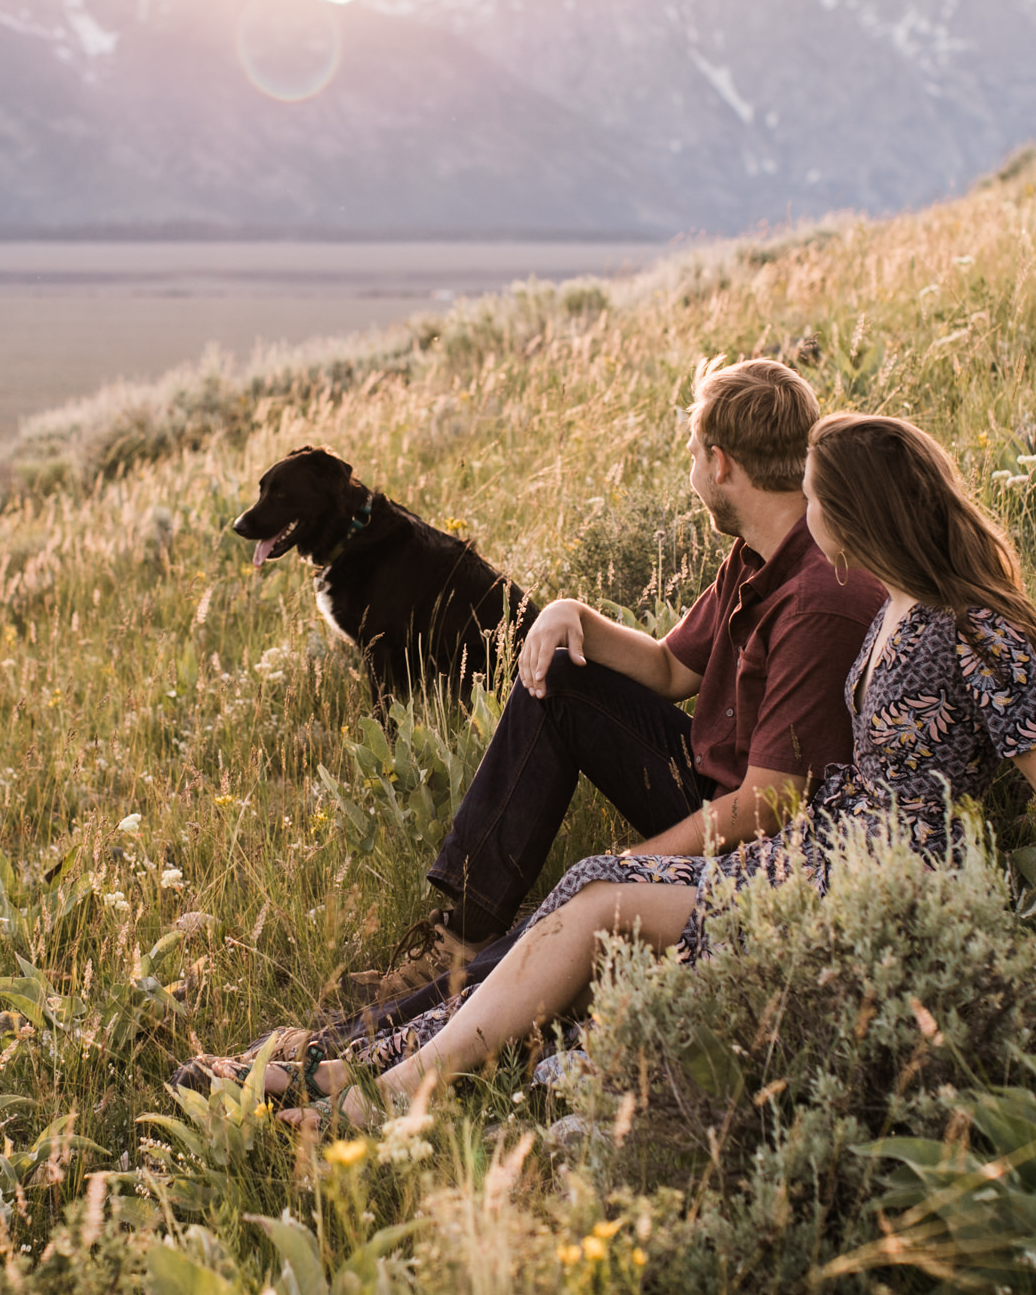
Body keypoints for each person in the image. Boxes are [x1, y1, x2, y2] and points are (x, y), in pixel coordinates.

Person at [276, 410, 1036, 1130]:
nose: (806, 509)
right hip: (831, 846)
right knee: (591, 882)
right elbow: (675, 670)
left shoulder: (974, 629)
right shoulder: (898, 601)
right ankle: (375, 1061)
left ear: (853, 512)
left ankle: (384, 1091)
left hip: (879, 879)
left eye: (818, 496)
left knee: (600, 897)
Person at [175, 358, 883, 1099]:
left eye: (692, 452)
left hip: (754, 837)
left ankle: (343, 1053)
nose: (691, 471)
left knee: (578, 903)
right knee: (562, 675)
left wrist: (627, 867)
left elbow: (767, 806)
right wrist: (569, 615)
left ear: (720, 462)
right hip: (709, 781)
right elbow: (674, 669)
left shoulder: (816, 598)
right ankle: (463, 931)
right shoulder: (757, 553)